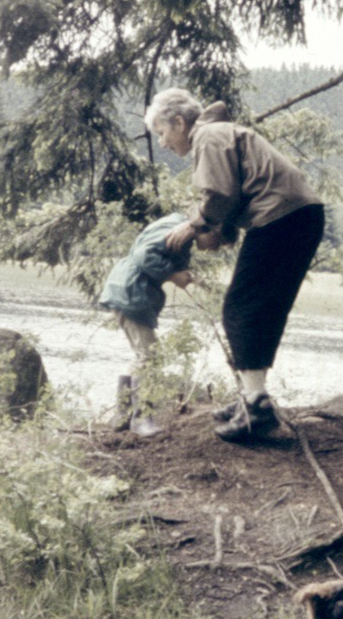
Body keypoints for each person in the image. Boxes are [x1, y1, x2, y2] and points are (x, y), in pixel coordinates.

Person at [144, 89, 325, 442]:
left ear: (179, 122)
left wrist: (194, 225)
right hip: (296, 216)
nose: (163, 143)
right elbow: (234, 193)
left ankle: (257, 408)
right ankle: (251, 398)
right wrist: (217, 231)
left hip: (281, 217)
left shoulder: (208, 136)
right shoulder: (221, 133)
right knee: (259, 308)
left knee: (242, 308)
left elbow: (219, 195)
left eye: (162, 133)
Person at [97, 211, 225, 431]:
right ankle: (141, 418)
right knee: (150, 357)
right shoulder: (178, 231)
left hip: (131, 291)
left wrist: (191, 279)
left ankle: (123, 416)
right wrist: (173, 275)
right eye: (218, 242)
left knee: (142, 355)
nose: (215, 248)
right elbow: (143, 255)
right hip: (132, 292)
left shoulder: (181, 232)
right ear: (213, 229)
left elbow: (163, 260)